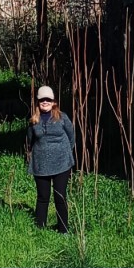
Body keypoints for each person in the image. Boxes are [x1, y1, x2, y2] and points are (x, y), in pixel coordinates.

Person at [26, 85, 75, 234]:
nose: (45, 102)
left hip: (62, 163)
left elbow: (71, 137)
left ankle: (63, 230)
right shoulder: (33, 121)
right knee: (43, 197)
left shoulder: (62, 117)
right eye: (42, 100)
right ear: (38, 102)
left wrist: (63, 153)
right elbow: (30, 141)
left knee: (60, 196)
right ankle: (40, 229)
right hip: (41, 164)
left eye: (48, 99)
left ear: (54, 102)